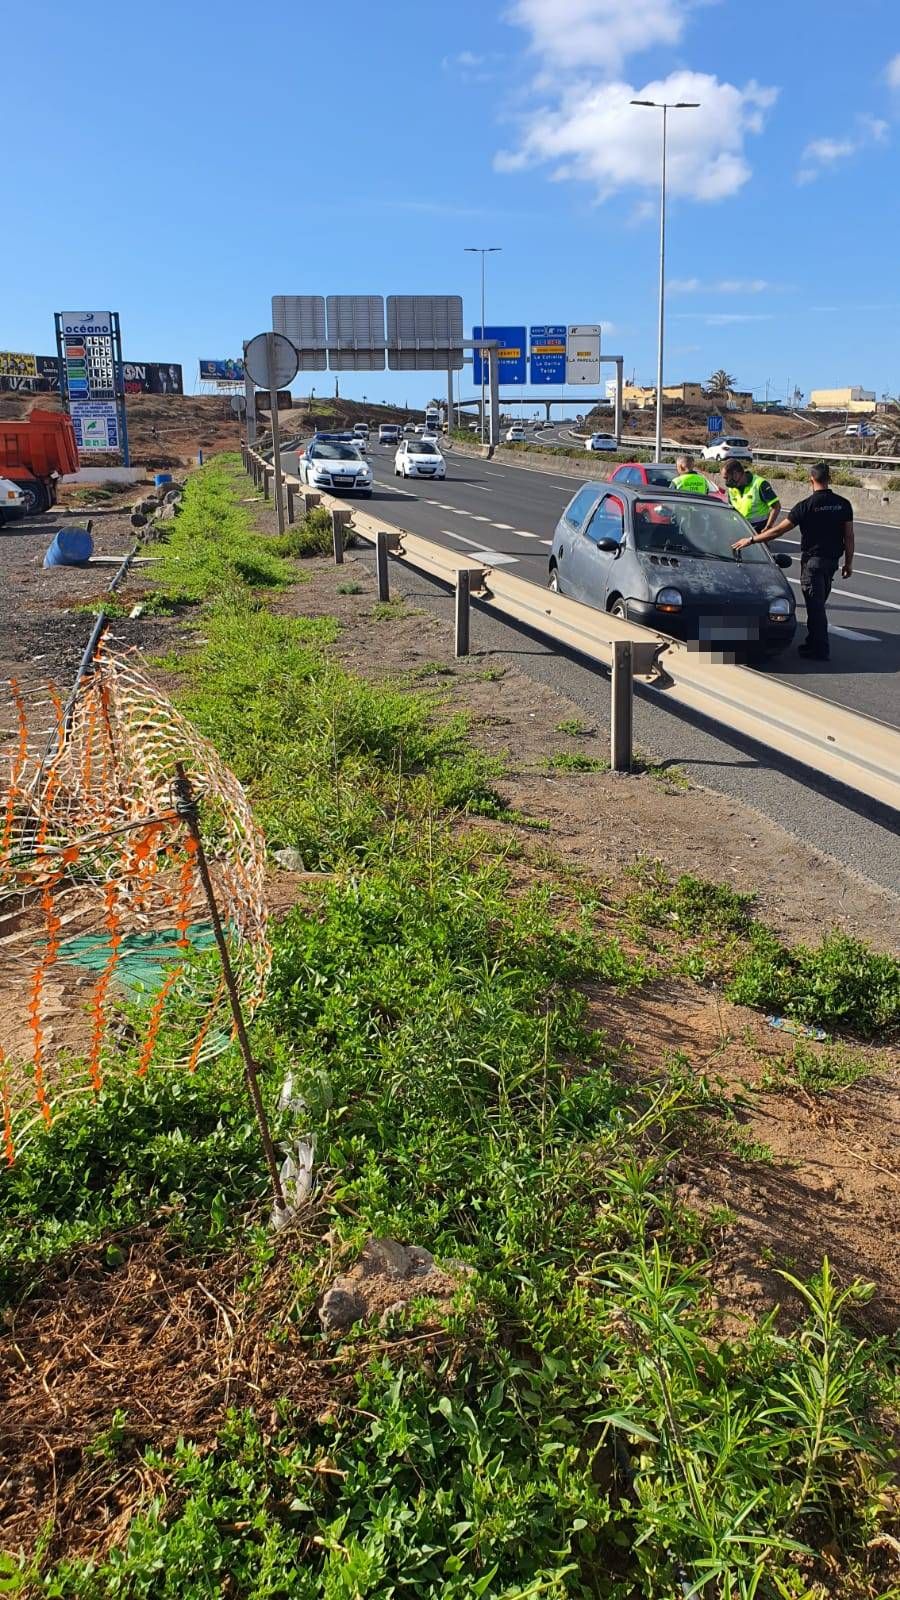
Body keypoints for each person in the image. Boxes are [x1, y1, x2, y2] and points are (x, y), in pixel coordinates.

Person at [732, 462, 853, 661]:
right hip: (832, 562)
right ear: (829, 479)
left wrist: (751, 539)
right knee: (818, 605)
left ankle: (819, 649)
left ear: (811, 480)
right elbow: (849, 536)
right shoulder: (843, 504)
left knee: (815, 607)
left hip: (812, 563)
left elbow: (779, 530)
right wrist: (849, 563)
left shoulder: (805, 505)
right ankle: (812, 643)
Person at [722, 459, 781, 533]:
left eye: (727, 478)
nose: (726, 482)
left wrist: (768, 527)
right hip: (739, 528)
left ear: (736, 474)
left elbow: (776, 506)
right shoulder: (732, 488)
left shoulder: (759, 484)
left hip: (758, 530)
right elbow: (731, 509)